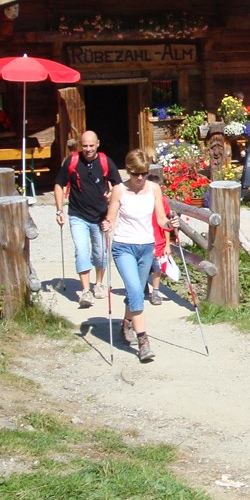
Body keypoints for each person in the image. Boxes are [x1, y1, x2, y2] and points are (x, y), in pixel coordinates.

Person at [103, 149, 171, 364]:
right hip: (123, 247)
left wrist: (171, 224)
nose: (140, 178)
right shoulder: (119, 190)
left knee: (136, 293)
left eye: (143, 173)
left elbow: (161, 219)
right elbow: (111, 219)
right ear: (128, 171)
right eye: (135, 174)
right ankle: (144, 343)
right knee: (136, 291)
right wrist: (107, 225)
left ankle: (126, 322)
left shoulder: (154, 189)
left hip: (146, 248)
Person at [54, 131, 122, 308]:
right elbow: (58, 184)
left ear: (98, 144)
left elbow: (118, 185)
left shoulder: (106, 162)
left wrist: (111, 197)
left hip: (101, 216)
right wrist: (59, 210)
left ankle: (98, 284)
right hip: (78, 215)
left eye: (91, 145)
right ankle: (85, 291)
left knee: (100, 254)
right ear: (80, 145)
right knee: (82, 251)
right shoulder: (72, 161)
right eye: (85, 146)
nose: (88, 149)